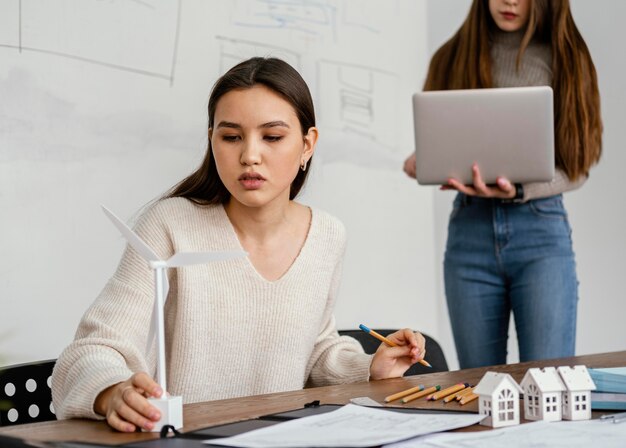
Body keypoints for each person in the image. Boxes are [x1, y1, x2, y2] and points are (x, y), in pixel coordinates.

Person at [52, 57, 427, 432]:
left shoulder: (327, 234)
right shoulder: (170, 225)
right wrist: (112, 391)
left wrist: (369, 367)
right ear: (212, 138)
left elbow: (314, 353)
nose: (249, 156)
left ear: (307, 144)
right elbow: (92, 350)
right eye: (230, 137)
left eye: (273, 137)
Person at [403, 0, 602, 369]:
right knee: (482, 389)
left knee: (548, 387)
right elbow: (441, 141)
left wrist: (522, 190)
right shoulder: (450, 57)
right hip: (469, 235)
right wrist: (425, 161)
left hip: (541, 232)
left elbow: (578, 166)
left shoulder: (567, 60)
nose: (509, 1)